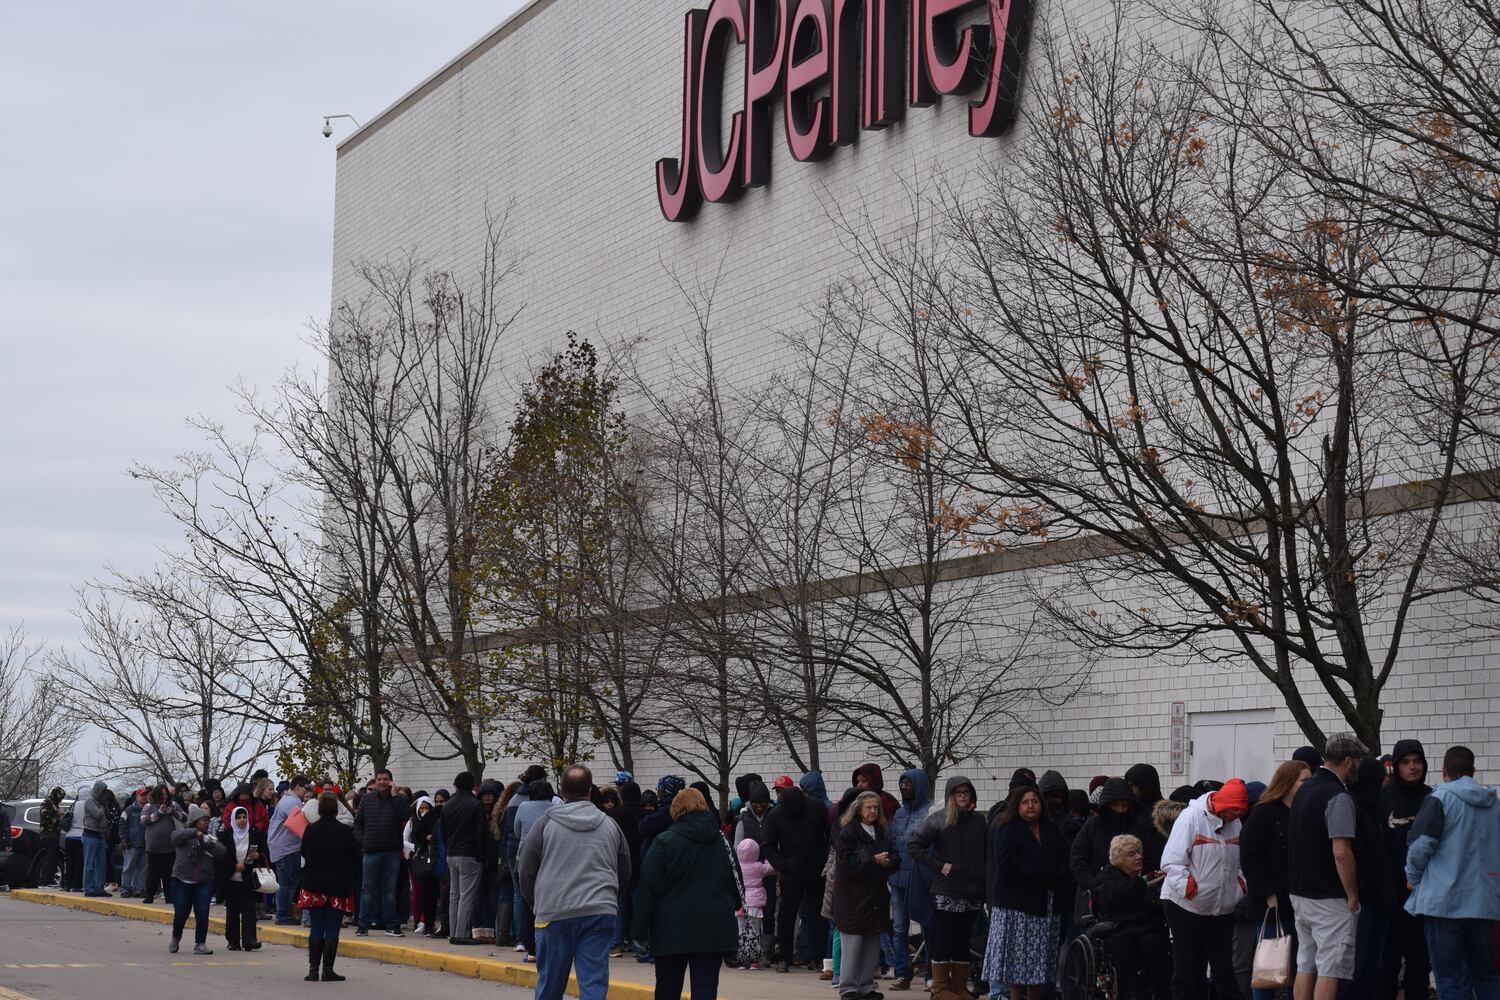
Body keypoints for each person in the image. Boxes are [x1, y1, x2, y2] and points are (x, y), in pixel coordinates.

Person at [518, 764, 630, 1000]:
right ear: (590, 791)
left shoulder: (545, 824)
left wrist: (535, 902)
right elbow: (624, 870)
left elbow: (526, 870)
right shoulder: (610, 825)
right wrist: (610, 897)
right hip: (599, 910)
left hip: (554, 911)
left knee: (550, 984)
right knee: (594, 984)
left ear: (562, 790)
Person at [1404, 745, 1500, 1000]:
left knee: (1450, 978)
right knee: (1487, 976)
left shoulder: (1440, 798)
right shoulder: (1494, 804)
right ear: (1474, 771)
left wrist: (1413, 879)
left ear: (1444, 771)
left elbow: (1420, 847)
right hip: (1484, 904)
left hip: (1443, 903)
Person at [632, 787, 737, 1000]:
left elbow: (648, 889)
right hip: (713, 927)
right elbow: (735, 883)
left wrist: (639, 931)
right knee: (706, 989)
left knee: (667, 989)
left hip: (671, 929)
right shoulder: (722, 842)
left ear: (676, 811)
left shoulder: (664, 842)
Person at [1289, 735, 1365, 1000]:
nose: (1359, 766)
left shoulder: (1303, 790)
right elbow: (1341, 852)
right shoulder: (1338, 797)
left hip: (1300, 893)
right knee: (1329, 969)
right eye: (1358, 760)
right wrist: (1353, 895)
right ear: (1347, 762)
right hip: (1329, 898)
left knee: (1305, 964)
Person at [1161, 777, 1249, 1000]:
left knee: (1223, 967)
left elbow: (1240, 863)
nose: (1235, 817)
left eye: (1239, 813)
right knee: (1188, 967)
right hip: (1184, 904)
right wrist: (1188, 888)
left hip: (1221, 906)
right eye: (1233, 811)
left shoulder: (1235, 824)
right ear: (1222, 805)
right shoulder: (1190, 818)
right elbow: (1171, 862)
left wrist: (1239, 887)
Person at [985, 785, 1069, 1000]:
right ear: (1017, 805)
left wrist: (1056, 875)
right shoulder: (1007, 829)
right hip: (1016, 904)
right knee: (1017, 960)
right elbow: (1009, 863)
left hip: (1045, 904)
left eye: (1035, 801)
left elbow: (1063, 857)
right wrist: (1042, 875)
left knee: (1039, 960)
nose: (1031, 806)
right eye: (1025, 802)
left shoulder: (1051, 830)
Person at [908, 775, 987, 1000]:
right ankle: (940, 989)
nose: (963, 796)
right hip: (947, 891)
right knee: (946, 938)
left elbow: (985, 853)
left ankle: (960, 986)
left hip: (972, 891)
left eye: (966, 792)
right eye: (958, 792)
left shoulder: (979, 821)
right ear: (951, 795)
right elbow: (914, 846)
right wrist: (939, 866)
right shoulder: (939, 819)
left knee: (963, 939)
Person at [1241, 760, 1311, 1000]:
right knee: (1268, 967)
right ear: (1289, 783)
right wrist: (1268, 893)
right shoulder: (1264, 811)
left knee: (1299, 967)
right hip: (1272, 904)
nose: (1308, 785)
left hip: (1301, 901)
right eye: (1304, 780)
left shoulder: (1305, 812)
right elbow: (1250, 856)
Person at [832, 790, 898, 1000]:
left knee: (871, 943)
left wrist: (890, 862)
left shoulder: (882, 831)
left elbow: (895, 855)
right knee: (853, 944)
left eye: (875, 807)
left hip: (876, 897)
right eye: (869, 807)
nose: (872, 811)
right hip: (853, 899)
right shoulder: (849, 832)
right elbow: (847, 862)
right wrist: (872, 859)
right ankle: (849, 987)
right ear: (858, 809)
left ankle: (866, 985)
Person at [1377, 740, 1430, 1000]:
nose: (1412, 767)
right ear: (1396, 766)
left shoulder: (1433, 798)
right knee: (1387, 962)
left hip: (1423, 895)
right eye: (1406, 762)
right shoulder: (1383, 798)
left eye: (1417, 761)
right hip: (1390, 895)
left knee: (1419, 961)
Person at [763, 782, 832, 973]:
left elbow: (830, 835)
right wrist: (782, 865)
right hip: (793, 872)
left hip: (813, 870)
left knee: (815, 916)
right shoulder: (777, 815)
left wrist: (824, 860)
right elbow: (768, 844)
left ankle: (816, 958)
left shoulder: (814, 808)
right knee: (788, 916)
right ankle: (788, 958)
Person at [1092, 834, 1171, 1000]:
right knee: (1123, 944)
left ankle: (1164, 993)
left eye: (1139, 852)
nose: (1139, 857)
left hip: (1143, 927)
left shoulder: (1145, 877)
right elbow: (1111, 899)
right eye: (1132, 854)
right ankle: (1129, 995)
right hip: (1117, 928)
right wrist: (1141, 884)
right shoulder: (1105, 878)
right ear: (1119, 858)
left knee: (1153, 942)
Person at [1339, 757, 1393, 1000]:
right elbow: (1353, 855)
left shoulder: (1376, 810)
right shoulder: (1353, 809)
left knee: (1372, 968)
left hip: (1378, 900)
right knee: (1355, 968)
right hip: (1363, 901)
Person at [301, 791, 361, 982]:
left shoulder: (310, 830)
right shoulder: (345, 832)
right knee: (333, 927)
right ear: (336, 810)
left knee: (316, 926)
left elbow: (304, 852)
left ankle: (312, 970)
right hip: (338, 885)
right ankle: (328, 970)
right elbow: (355, 857)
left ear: (319, 809)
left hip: (314, 885)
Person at [888, 768, 932, 991]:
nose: (904, 787)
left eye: (908, 783)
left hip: (921, 881)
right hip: (897, 880)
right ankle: (902, 974)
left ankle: (931, 976)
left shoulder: (931, 812)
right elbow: (893, 843)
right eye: (902, 783)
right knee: (899, 929)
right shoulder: (899, 814)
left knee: (927, 928)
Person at [354, 767, 410, 936]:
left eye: (385, 779)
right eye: (379, 779)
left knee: (390, 890)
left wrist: (394, 796)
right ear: (375, 781)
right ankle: (363, 925)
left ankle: (392, 925)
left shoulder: (398, 800)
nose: (382, 782)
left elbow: (404, 817)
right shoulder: (366, 799)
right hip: (370, 850)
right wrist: (362, 840)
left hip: (392, 851)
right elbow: (358, 822)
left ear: (391, 781)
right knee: (368, 889)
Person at [169, 806, 226, 954]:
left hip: (204, 881)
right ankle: (176, 937)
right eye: (203, 820)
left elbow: (222, 852)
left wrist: (207, 843)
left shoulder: (210, 838)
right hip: (181, 880)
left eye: (208, 820)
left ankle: (200, 943)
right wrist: (194, 833)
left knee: (202, 913)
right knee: (181, 912)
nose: (207, 823)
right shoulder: (184, 835)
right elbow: (174, 837)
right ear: (195, 821)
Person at [440, 771, 488, 945]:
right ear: (473, 786)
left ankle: (453, 932)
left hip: (451, 854)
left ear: (456, 785)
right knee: (466, 896)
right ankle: (461, 934)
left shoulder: (447, 805)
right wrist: (481, 855)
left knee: (454, 895)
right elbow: (480, 833)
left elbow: (443, 832)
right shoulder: (476, 805)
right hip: (470, 854)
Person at [515, 778, 559, 960]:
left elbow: (517, 830)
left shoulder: (523, 807)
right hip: (550, 860)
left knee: (527, 903)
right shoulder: (557, 809)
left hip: (525, 858)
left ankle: (531, 950)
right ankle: (551, 948)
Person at [216, 805, 267, 951]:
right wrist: (234, 866)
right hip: (231, 879)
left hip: (248, 879)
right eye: (238, 818)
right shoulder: (226, 835)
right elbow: (220, 857)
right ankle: (233, 941)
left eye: (244, 817)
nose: (242, 820)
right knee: (232, 911)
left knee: (249, 910)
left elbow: (263, 853)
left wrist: (258, 856)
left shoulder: (253, 834)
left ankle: (249, 940)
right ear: (233, 819)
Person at [610, 780, 647, 954]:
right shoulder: (645, 815)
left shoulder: (614, 815)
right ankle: (636, 940)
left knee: (618, 904)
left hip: (619, 863)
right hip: (640, 863)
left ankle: (616, 942)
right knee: (637, 903)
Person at [268, 774, 310, 925]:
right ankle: (284, 915)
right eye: (306, 787)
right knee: (288, 883)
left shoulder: (287, 800)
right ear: (298, 786)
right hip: (287, 848)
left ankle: (283, 914)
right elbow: (300, 822)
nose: (307, 791)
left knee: (286, 882)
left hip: (283, 847)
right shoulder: (291, 802)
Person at [737, 838, 776, 968]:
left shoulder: (738, 867)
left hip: (740, 904)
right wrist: (767, 859)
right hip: (754, 905)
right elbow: (772, 868)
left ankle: (742, 958)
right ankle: (754, 960)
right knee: (755, 931)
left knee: (742, 931)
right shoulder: (759, 867)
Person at [405, 794, 440, 935]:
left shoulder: (436, 820)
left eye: (427, 808)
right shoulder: (413, 822)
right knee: (422, 893)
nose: (425, 811)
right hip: (421, 861)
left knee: (434, 894)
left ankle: (428, 923)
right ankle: (423, 922)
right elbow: (405, 839)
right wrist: (416, 848)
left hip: (437, 860)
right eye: (422, 808)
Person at [141, 784, 182, 905]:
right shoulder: (149, 806)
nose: (164, 797)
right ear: (156, 794)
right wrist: (159, 813)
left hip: (170, 846)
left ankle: (169, 897)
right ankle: (149, 896)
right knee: (153, 872)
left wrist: (172, 812)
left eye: (166, 794)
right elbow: (143, 820)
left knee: (168, 873)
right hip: (153, 846)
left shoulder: (173, 805)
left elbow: (185, 817)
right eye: (161, 794)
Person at [120, 788, 147, 898]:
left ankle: (138, 889)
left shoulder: (148, 810)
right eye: (142, 795)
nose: (144, 797)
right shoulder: (129, 810)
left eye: (146, 795)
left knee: (143, 868)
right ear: (137, 797)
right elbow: (122, 824)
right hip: (131, 843)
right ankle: (125, 889)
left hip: (145, 844)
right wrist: (123, 839)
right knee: (128, 867)